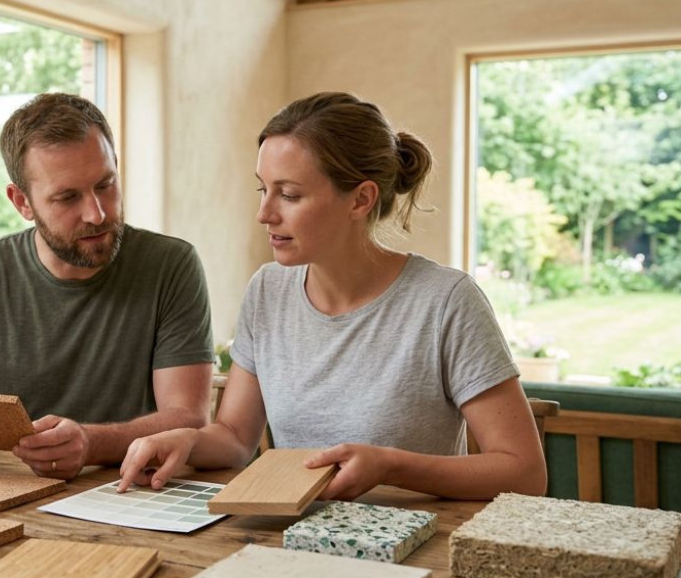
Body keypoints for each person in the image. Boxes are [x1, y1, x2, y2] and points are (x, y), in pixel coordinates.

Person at [118, 92, 547, 501]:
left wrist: (391, 466)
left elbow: (525, 472)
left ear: (360, 199)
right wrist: (185, 440)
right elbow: (233, 438)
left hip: (415, 548)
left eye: (289, 194)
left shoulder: (447, 301)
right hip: (292, 539)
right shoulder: (267, 290)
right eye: (262, 189)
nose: (265, 213)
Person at [0, 93, 216, 479]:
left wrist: (89, 442)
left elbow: (189, 417)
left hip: (133, 487)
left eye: (106, 185)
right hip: (15, 489)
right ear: (21, 202)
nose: (97, 213)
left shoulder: (170, 265)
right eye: (67, 197)